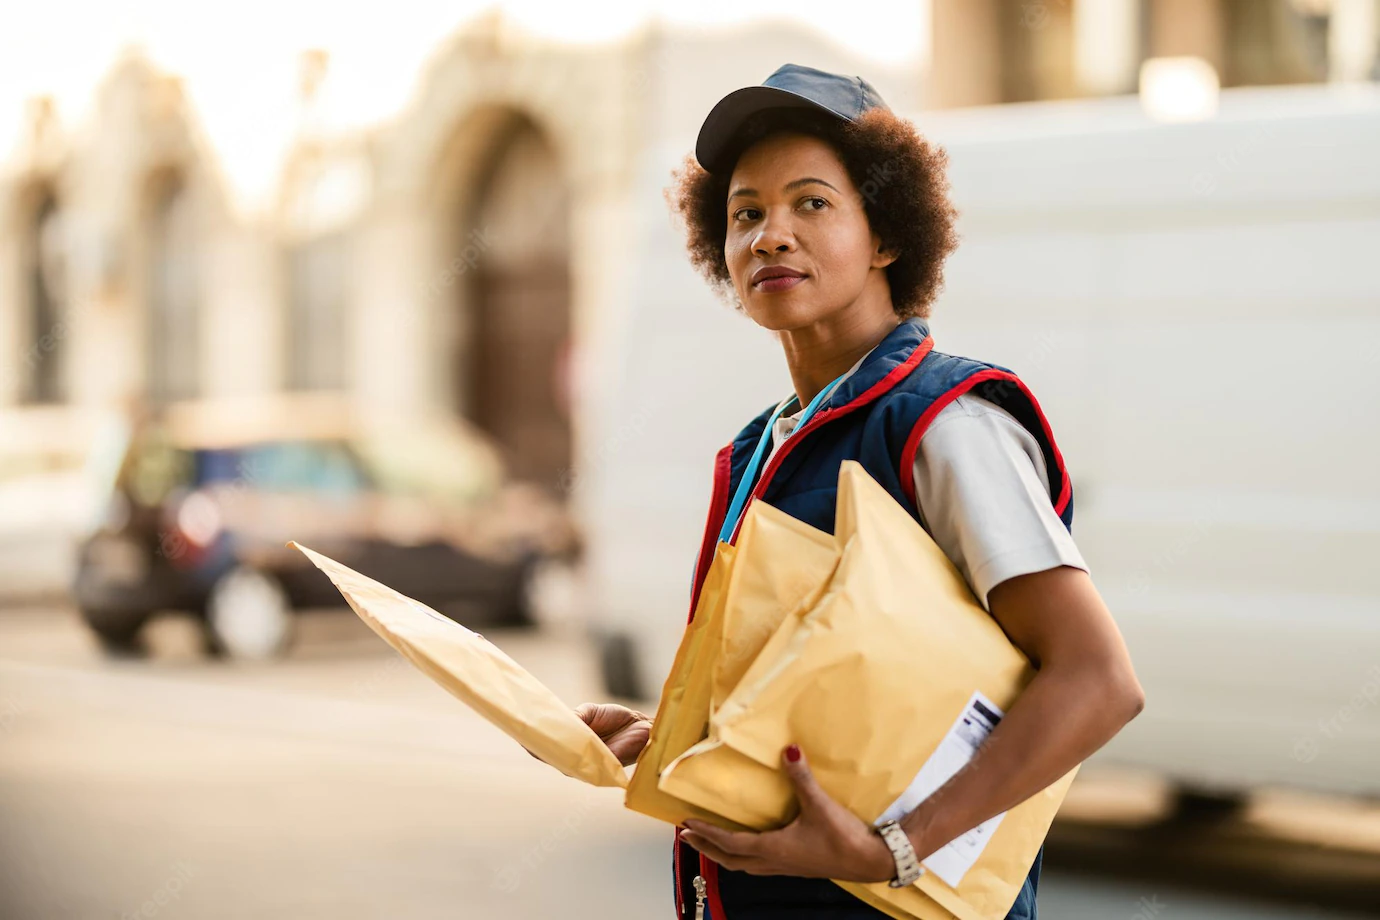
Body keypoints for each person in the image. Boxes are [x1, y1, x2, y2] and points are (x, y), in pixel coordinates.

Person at [574, 63, 1145, 920]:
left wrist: (895, 850)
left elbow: (1097, 682)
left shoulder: (944, 423)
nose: (771, 235)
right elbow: (843, 685)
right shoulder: (763, 445)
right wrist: (679, 740)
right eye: (746, 213)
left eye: (812, 203)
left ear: (886, 235)